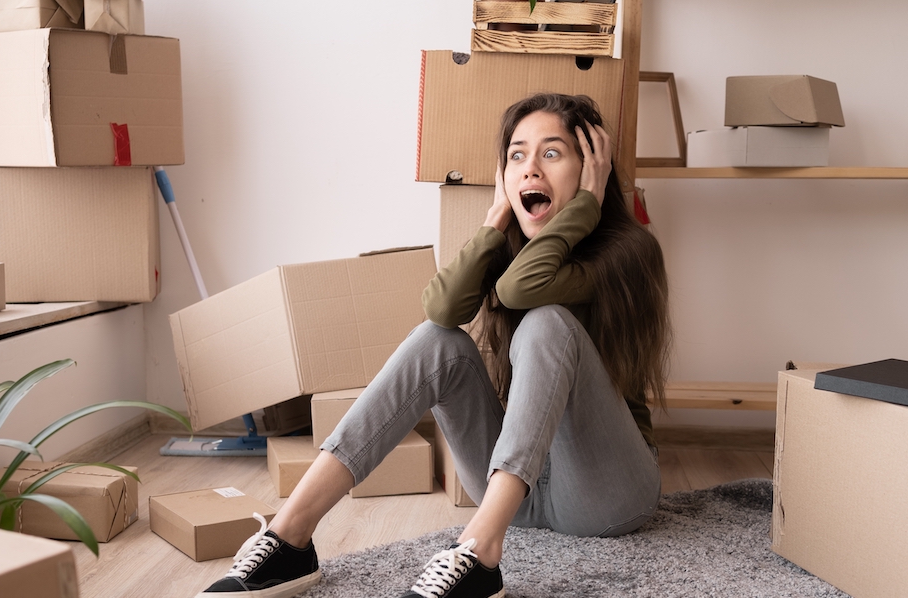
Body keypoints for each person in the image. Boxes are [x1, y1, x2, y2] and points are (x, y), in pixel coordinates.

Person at [198, 92, 672, 598]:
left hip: (609, 494)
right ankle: (290, 537)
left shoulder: (630, 252)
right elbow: (442, 309)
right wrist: (495, 218)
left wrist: (586, 209)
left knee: (546, 323)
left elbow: (519, 291)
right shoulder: (512, 247)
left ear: (592, 170)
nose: (530, 170)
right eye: (516, 156)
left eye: (552, 154)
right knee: (436, 339)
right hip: (520, 492)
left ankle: (480, 557)